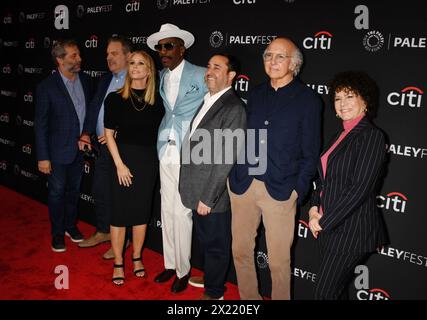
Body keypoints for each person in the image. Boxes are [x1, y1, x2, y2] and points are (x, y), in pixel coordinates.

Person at [228, 37, 322, 299]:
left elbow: (311, 152)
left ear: (294, 64)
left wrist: (297, 190)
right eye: (268, 55)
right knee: (240, 251)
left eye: (280, 56)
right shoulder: (255, 94)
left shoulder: (309, 100)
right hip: (244, 184)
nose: (273, 61)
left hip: (281, 190)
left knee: (279, 263)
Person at [308, 71, 388, 300]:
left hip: (351, 231)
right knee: (335, 291)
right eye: (337, 98)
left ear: (365, 101)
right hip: (328, 227)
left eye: (349, 96)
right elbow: (323, 179)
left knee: (324, 294)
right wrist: (314, 209)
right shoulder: (339, 135)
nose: (342, 104)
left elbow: (360, 190)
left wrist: (324, 221)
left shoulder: (371, 136)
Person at [179, 54, 247, 300]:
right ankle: (211, 278)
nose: (209, 71)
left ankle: (215, 292)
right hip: (195, 188)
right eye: (208, 66)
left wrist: (208, 198)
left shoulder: (233, 108)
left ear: (231, 76)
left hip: (212, 195)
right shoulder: (208, 100)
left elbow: (225, 159)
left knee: (216, 245)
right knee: (206, 241)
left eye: (217, 67)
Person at [147, 23, 207, 293]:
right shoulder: (160, 76)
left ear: (182, 48)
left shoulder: (201, 74)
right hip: (164, 147)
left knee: (182, 212)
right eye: (160, 47)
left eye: (169, 45)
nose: (164, 51)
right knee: (166, 209)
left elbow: (216, 108)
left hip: (189, 149)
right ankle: (170, 264)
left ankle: (183, 269)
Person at [103, 50, 164, 285]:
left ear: (149, 70)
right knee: (119, 214)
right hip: (121, 159)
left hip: (148, 161)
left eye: (141, 63)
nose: (135, 67)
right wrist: (119, 165)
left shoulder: (159, 101)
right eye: (132, 63)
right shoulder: (115, 98)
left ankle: (137, 257)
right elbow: (108, 134)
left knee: (140, 214)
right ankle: (119, 261)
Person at [35, 39, 92, 252]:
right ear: (60, 60)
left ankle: (70, 226)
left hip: (80, 150)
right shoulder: (46, 87)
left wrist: (86, 134)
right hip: (57, 151)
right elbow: (40, 125)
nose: (79, 59)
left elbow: (89, 113)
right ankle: (57, 232)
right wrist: (43, 156)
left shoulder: (85, 80)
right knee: (57, 192)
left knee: (73, 190)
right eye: (73, 56)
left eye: (78, 54)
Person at [78, 35, 132, 260]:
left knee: (121, 197)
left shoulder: (138, 78)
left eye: (114, 53)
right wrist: (86, 133)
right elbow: (93, 108)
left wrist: (119, 133)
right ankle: (103, 231)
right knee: (100, 192)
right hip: (101, 149)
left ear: (128, 55)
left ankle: (123, 239)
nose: (109, 57)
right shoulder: (103, 79)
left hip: (124, 150)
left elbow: (142, 116)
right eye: (107, 54)